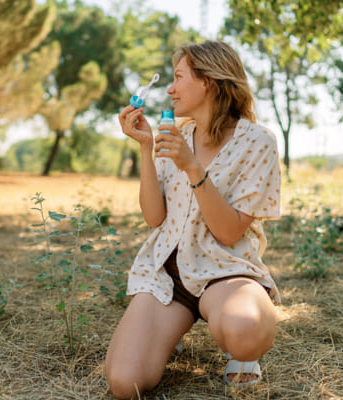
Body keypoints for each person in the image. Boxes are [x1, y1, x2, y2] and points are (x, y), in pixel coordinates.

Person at [105, 40, 282, 399]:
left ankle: (242, 353)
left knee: (244, 333)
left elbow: (230, 232)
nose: (170, 88)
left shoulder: (258, 142)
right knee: (126, 384)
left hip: (226, 270)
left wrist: (192, 166)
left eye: (178, 77)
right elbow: (154, 217)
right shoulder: (177, 135)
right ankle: (171, 331)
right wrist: (145, 146)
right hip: (171, 272)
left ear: (209, 83)